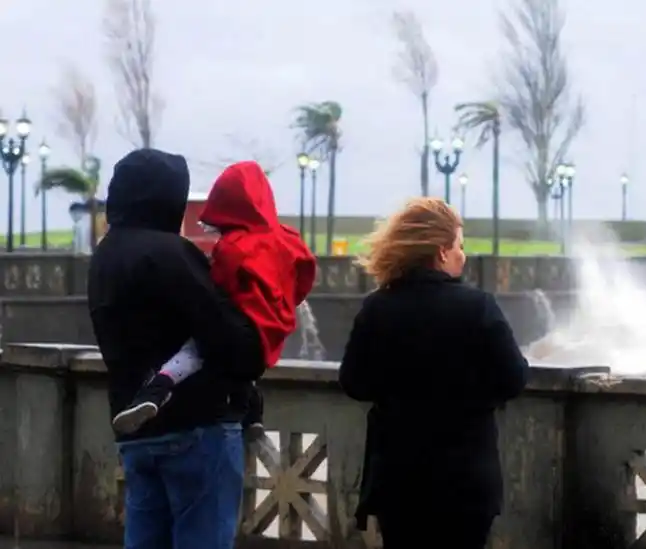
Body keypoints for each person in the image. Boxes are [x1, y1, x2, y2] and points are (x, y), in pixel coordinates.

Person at [88, 149, 267, 549]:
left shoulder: (105, 256)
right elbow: (228, 338)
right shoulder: (171, 253)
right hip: (196, 426)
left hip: (135, 429)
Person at [338, 197, 529, 549]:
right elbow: (514, 378)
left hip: (398, 479)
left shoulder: (378, 307)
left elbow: (353, 382)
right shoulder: (478, 307)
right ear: (441, 252)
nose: (463, 255)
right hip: (465, 480)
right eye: (459, 246)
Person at [110, 160, 317, 437]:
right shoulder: (288, 239)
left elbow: (216, 286)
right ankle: (253, 415)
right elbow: (305, 274)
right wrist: (282, 302)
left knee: (195, 350)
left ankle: (157, 390)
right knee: (245, 368)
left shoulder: (234, 246)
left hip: (240, 322)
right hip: (271, 326)